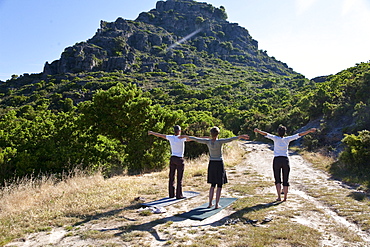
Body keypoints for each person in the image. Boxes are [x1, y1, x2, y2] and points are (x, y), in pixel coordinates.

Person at [181, 127, 249, 209]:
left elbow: (197, 139)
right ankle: (216, 204)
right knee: (219, 185)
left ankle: (210, 203)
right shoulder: (219, 142)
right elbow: (230, 139)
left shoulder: (208, 141)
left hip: (212, 163)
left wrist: (187, 136)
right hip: (219, 163)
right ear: (218, 134)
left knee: (212, 185)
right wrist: (240, 136)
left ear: (211, 134)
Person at [254, 126, 316, 201]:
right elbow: (299, 134)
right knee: (285, 179)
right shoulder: (287, 139)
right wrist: (309, 131)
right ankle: (285, 198)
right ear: (285, 132)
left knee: (277, 179)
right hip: (285, 160)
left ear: (278, 132)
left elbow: (266, 134)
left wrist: (258, 131)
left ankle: (279, 197)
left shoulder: (275, 138)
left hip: (277, 160)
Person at [148, 125, 189, 199]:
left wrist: (152, 132)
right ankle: (179, 195)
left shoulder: (171, 137)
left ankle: (171, 194)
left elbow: (160, 135)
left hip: (172, 158)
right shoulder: (182, 138)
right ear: (179, 131)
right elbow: (194, 138)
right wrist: (207, 138)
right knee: (179, 178)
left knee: (171, 177)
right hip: (179, 159)